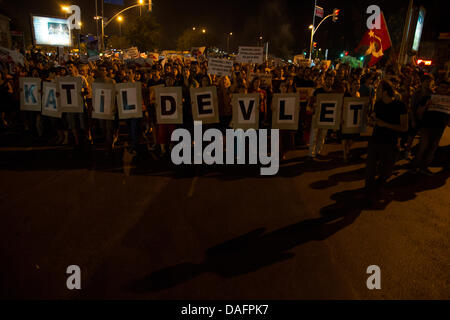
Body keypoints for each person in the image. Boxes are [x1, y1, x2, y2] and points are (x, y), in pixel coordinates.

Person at [365, 80, 408, 205]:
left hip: (391, 143)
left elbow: (404, 127)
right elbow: (374, 117)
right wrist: (371, 120)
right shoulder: (378, 104)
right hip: (375, 140)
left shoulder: (400, 106)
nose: (376, 91)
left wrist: (385, 124)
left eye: (378, 89)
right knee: (370, 170)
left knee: (387, 171)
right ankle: (368, 195)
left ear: (384, 91)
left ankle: (379, 186)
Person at [413, 80, 450, 175]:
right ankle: (415, 166)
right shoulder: (428, 97)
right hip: (427, 126)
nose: (444, 90)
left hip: (439, 128)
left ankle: (424, 167)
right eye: (442, 87)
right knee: (423, 147)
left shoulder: (448, 101)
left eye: (446, 88)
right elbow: (418, 112)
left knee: (432, 148)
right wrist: (426, 105)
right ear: (438, 87)